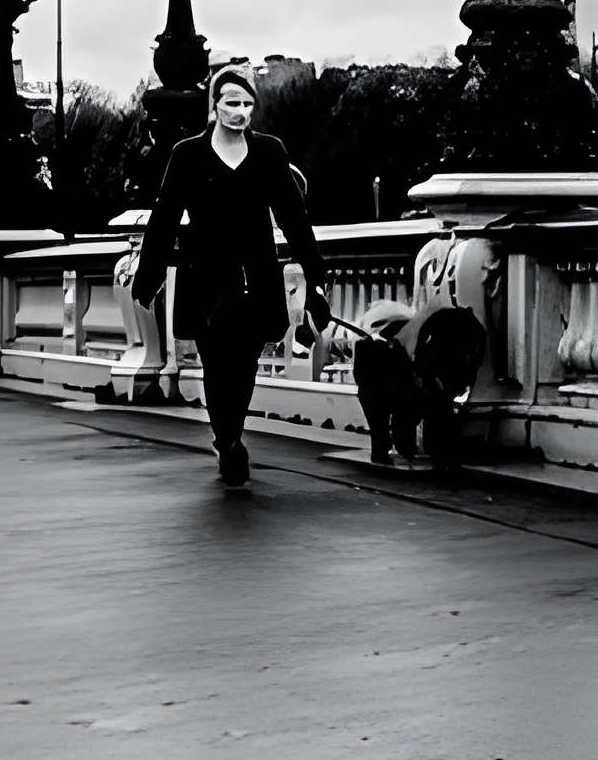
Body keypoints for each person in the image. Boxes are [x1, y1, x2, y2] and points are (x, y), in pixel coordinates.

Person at [129, 65, 328, 488]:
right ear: (214, 106)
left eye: (247, 103)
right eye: (232, 103)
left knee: (246, 364)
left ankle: (229, 436)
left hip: (256, 277)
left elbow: (295, 219)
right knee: (216, 364)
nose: (240, 112)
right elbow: (164, 218)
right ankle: (229, 440)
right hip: (205, 278)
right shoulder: (188, 154)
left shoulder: (270, 152)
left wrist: (316, 275)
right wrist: (147, 276)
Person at [346, 299, 489, 469]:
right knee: (418, 411)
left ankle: (399, 449)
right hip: (406, 374)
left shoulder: (424, 337)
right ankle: (420, 451)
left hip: (404, 373)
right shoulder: (449, 334)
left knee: (393, 419)